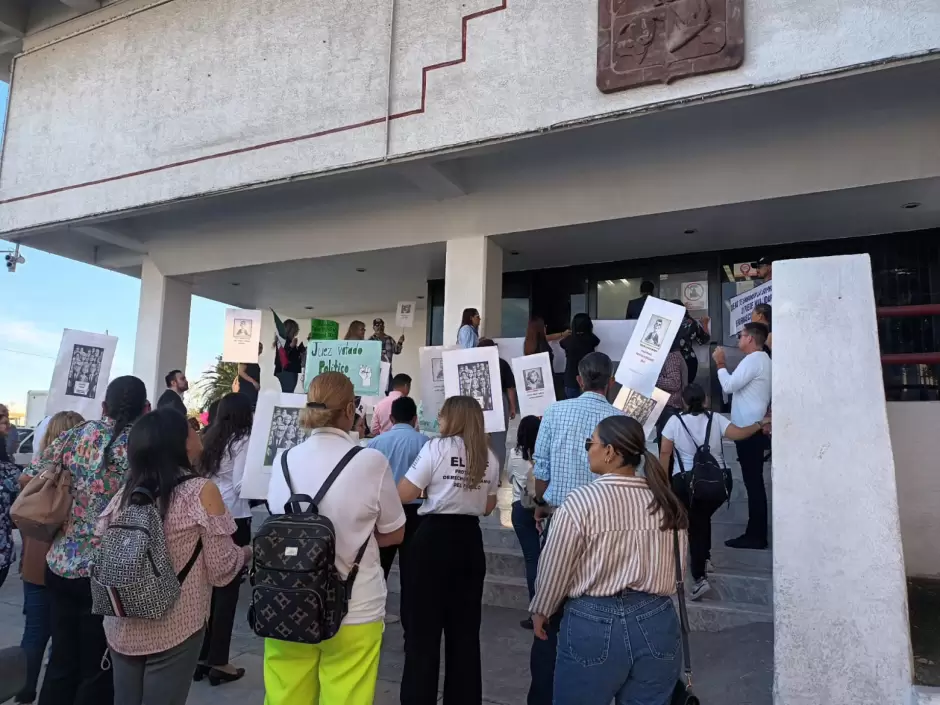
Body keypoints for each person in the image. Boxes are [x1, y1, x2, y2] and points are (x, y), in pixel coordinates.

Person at [265, 372, 406, 705]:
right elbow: (395, 533)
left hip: (288, 602)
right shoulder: (370, 461)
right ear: (349, 408)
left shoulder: (284, 460)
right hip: (354, 606)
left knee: (285, 697)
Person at [530, 416, 689, 705]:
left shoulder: (580, 502)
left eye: (591, 442)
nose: (587, 448)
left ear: (610, 451)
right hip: (657, 622)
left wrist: (542, 608)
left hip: (593, 623)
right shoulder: (666, 502)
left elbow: (555, 567)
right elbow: (678, 567)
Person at [97, 408, 249, 705]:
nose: (197, 431)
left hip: (121, 624)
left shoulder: (125, 493)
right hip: (175, 627)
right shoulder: (200, 491)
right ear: (178, 442)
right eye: (190, 428)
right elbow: (221, 570)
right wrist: (246, 553)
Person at [24, 375, 149, 705]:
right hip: (110, 574)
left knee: (62, 659)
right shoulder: (143, 445)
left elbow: (35, 472)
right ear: (146, 408)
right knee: (98, 667)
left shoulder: (76, 435)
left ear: (104, 406)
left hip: (61, 563)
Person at [529, 352, 621, 705]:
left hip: (559, 521)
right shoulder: (622, 419)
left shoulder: (555, 412)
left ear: (579, 380)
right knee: (596, 613)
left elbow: (543, 468)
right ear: (609, 382)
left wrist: (540, 504)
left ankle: (544, 696)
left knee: (550, 613)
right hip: (607, 531)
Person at [397, 396, 499, 705]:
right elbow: (488, 506)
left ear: (451, 419)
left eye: (441, 417)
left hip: (433, 539)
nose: (438, 422)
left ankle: (418, 698)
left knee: (423, 631)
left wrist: (433, 490)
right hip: (468, 541)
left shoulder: (435, 448)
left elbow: (405, 492)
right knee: (465, 632)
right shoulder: (488, 457)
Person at [660, 384, 767, 600]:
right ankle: (705, 557)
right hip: (718, 483)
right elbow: (737, 434)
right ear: (705, 400)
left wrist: (662, 483)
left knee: (695, 525)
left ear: (683, 402)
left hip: (686, 483)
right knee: (702, 519)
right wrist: (758, 425)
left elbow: (665, 453)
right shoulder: (715, 419)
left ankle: (699, 578)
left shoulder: (674, 422)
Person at [16, 411, 85, 705]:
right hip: (66, 566)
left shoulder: (34, 474)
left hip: (33, 562)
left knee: (34, 632)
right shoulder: (82, 476)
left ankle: (23, 690)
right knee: (65, 640)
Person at [197, 393, 254, 684]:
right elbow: (243, 483)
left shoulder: (209, 437)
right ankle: (219, 660)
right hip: (234, 516)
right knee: (227, 590)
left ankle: (200, 656)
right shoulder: (243, 440)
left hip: (207, 514)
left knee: (206, 588)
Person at [366, 395, 429, 627]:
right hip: (415, 514)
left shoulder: (375, 443)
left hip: (381, 513)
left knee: (377, 571)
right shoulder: (425, 443)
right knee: (412, 577)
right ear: (415, 419)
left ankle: (374, 622)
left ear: (391, 418)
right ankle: (409, 631)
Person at [713, 322, 772, 550]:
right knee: (753, 482)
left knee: (753, 483)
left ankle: (756, 535)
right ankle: (755, 532)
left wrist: (720, 362)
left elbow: (728, 385)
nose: (739, 338)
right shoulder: (763, 360)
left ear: (750, 338)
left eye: (741, 335)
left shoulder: (754, 360)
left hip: (750, 431)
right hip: (752, 429)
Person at [508, 415, 541, 629]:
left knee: (532, 560)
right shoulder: (544, 454)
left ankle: (535, 610)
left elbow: (510, 478)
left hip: (520, 508)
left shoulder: (514, 453)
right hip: (542, 507)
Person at [477, 338, 518, 479]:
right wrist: (512, 407)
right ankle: (497, 476)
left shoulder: (475, 364)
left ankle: (479, 473)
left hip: (478, 402)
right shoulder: (501, 363)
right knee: (499, 441)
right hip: (500, 401)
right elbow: (510, 387)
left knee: (477, 438)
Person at [654, 339, 687, 453]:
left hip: (669, 406)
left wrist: (654, 379)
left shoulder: (671, 357)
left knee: (666, 450)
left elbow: (674, 383)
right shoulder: (675, 356)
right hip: (670, 408)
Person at [559, 313, 599, 400]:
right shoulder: (592, 340)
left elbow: (561, 343)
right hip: (588, 380)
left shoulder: (568, 341)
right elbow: (597, 341)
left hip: (571, 380)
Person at [671, 299, 710, 383]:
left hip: (670, 362)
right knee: (687, 390)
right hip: (689, 360)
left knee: (671, 389)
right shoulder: (691, 322)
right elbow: (704, 339)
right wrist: (705, 324)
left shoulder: (666, 322)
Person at [370, 318, 405, 389]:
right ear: (373, 327)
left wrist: (400, 342)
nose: (379, 327)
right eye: (377, 325)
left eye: (381, 325)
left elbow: (397, 351)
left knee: (389, 393)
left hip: (387, 372)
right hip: (374, 374)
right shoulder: (370, 340)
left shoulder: (389, 339)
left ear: (384, 327)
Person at [274, 318, 306, 393]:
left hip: (291, 370)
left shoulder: (287, 340)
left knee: (289, 391)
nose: (296, 332)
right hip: (286, 371)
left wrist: (299, 350)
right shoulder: (282, 340)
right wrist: (291, 346)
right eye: (295, 330)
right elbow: (282, 355)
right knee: (287, 392)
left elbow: (291, 355)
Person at [235, 343, 263, 410]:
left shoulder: (254, 362)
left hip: (253, 394)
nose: (260, 350)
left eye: (261, 348)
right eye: (259, 348)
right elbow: (241, 372)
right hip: (246, 391)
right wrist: (254, 382)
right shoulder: (246, 358)